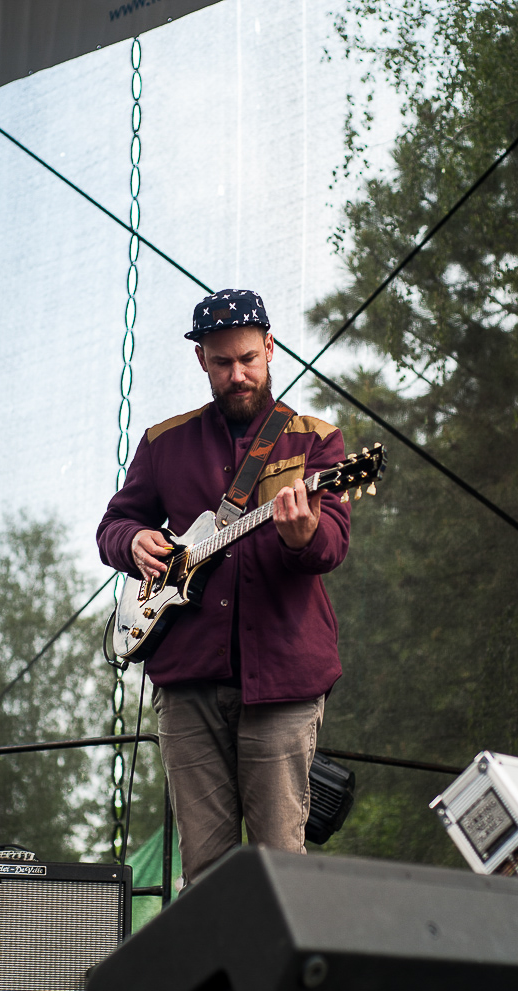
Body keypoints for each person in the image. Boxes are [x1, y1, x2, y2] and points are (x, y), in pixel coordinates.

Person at [97, 289, 351, 885]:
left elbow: (332, 546)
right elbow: (113, 525)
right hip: (187, 681)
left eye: (248, 359)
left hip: (283, 683)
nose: (237, 375)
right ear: (201, 361)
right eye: (222, 362)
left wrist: (302, 535)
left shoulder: (316, 440)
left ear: (270, 348)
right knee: (204, 873)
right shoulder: (164, 443)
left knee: (279, 869)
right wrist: (133, 541)